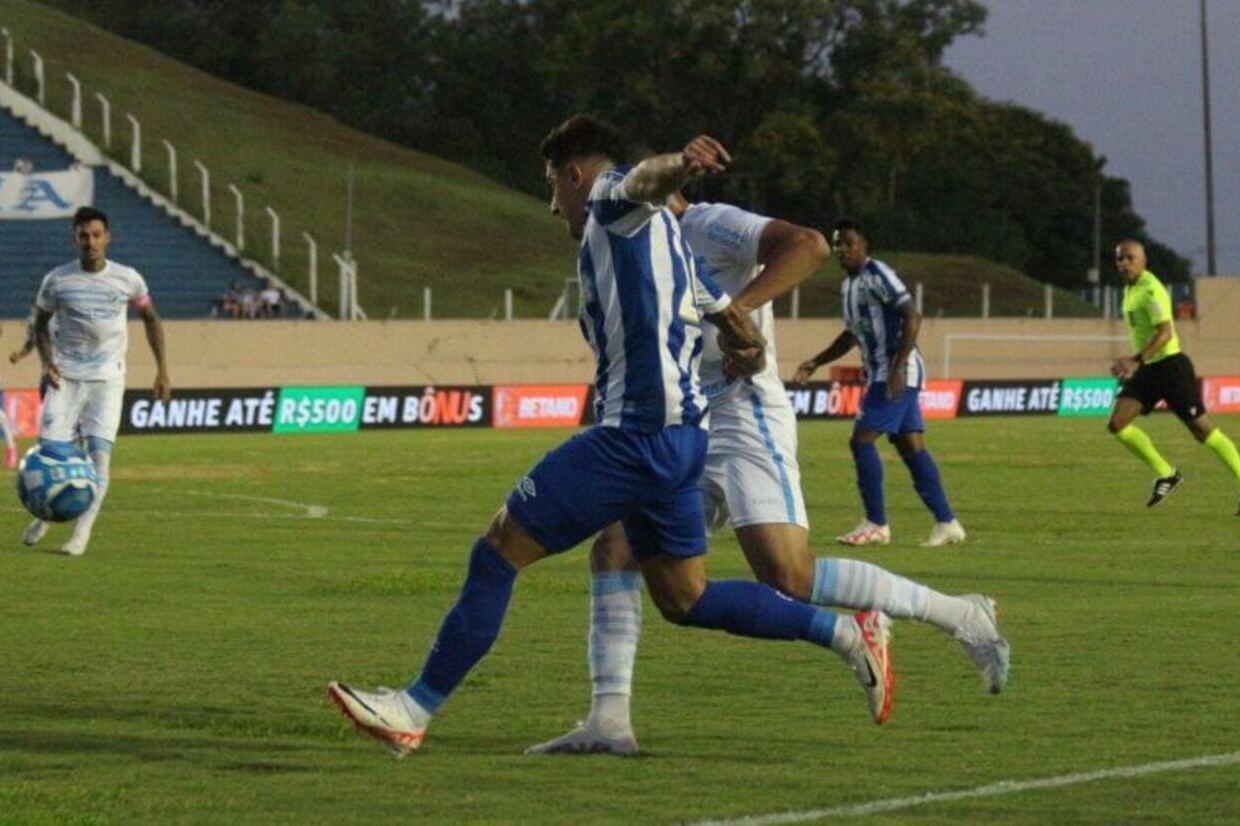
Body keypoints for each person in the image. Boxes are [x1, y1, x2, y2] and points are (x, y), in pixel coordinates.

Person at [327, 115, 896, 757]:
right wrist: (742, 335)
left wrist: (681, 164)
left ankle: (413, 709)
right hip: (684, 442)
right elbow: (721, 310)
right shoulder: (668, 243)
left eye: (552, 185)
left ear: (574, 174)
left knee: (498, 551)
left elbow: (642, 181)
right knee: (685, 597)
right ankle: (845, 635)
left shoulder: (610, 201)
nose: (553, 204)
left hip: (635, 439)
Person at [526, 198, 1009, 755]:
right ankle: (608, 723)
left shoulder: (705, 223)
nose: (569, 205)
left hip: (742, 415)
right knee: (627, 559)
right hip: (683, 424)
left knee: (789, 574)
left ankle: (960, 614)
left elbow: (808, 245)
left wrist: (736, 317)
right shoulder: (626, 249)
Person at [794, 218, 965, 547]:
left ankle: (876, 523)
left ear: (864, 246)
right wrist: (817, 361)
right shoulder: (849, 286)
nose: (842, 250)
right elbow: (851, 335)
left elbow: (912, 315)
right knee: (910, 446)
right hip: (885, 373)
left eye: (849, 243)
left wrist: (897, 368)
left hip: (895, 373)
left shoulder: (877, 274)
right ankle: (947, 523)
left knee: (861, 440)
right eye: (838, 244)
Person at [24, 206, 172, 556]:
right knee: (51, 455)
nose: (90, 242)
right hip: (65, 378)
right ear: (74, 239)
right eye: (83, 235)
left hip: (107, 380)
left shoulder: (128, 279)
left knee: (99, 458)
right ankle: (45, 514)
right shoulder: (57, 280)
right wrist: (46, 363)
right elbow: (40, 325)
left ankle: (81, 534)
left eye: (96, 235)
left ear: (108, 237)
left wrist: (162, 370)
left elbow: (151, 320)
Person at [1107, 239, 1240, 512]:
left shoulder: (1151, 289)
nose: (1124, 263)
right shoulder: (1130, 289)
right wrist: (1138, 363)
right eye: (1120, 259)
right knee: (1117, 424)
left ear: (1143, 260)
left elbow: (1165, 333)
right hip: (1148, 370)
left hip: (1171, 368)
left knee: (1202, 431)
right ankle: (1167, 474)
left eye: (1130, 258)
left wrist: (1134, 360)